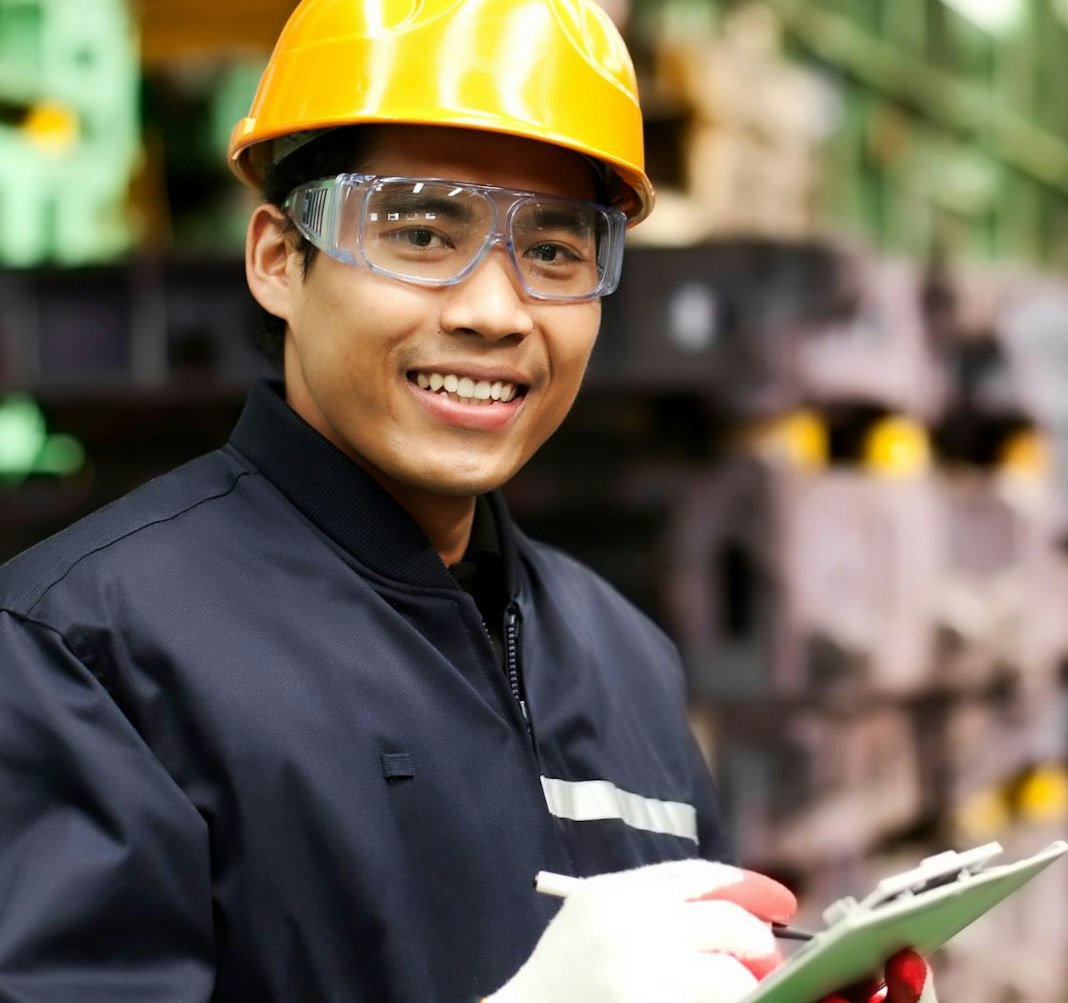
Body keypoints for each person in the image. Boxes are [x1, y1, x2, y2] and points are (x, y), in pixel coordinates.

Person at [0, 1, 938, 1001]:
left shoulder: (623, 660)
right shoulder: (85, 658)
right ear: (278, 258)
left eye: (553, 252)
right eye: (419, 231)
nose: (494, 312)